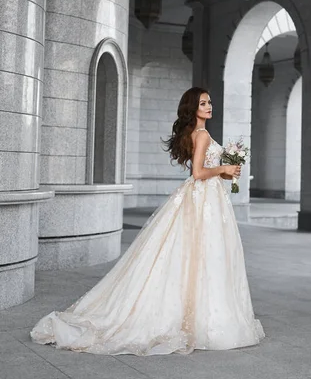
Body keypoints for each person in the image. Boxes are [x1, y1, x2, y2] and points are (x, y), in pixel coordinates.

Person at [30, 87, 265, 356]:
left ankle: (199, 314)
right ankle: (203, 319)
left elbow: (204, 173)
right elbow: (199, 172)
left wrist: (226, 173)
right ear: (193, 108)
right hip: (203, 202)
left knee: (199, 256)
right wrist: (223, 168)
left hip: (205, 199)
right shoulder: (201, 135)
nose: (209, 106)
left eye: (209, 102)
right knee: (205, 255)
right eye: (203, 103)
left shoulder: (195, 134)